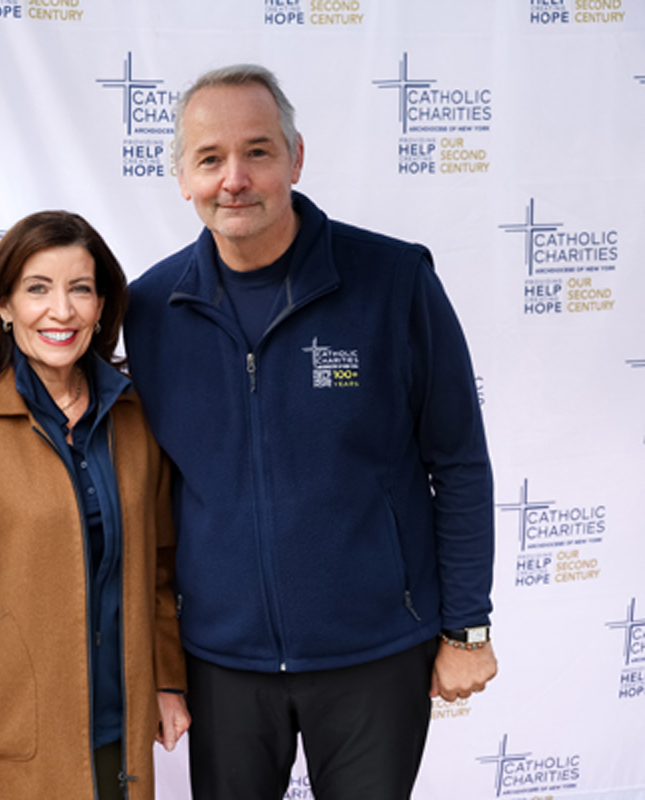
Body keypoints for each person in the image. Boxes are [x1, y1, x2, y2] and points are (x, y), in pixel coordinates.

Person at [122, 65, 498, 800]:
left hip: (376, 653)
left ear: (296, 158)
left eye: (258, 151)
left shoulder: (394, 281)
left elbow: (457, 462)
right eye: (210, 158)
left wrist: (467, 629)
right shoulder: (150, 310)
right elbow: (147, 497)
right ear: (181, 178)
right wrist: (164, 661)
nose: (235, 178)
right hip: (223, 663)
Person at [0, 211, 189, 799]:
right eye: (38, 288)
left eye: (80, 289)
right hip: (3, 739)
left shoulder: (136, 417)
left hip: (122, 729)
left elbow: (161, 567)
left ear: (102, 306)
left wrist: (167, 678)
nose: (61, 311)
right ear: (4, 306)